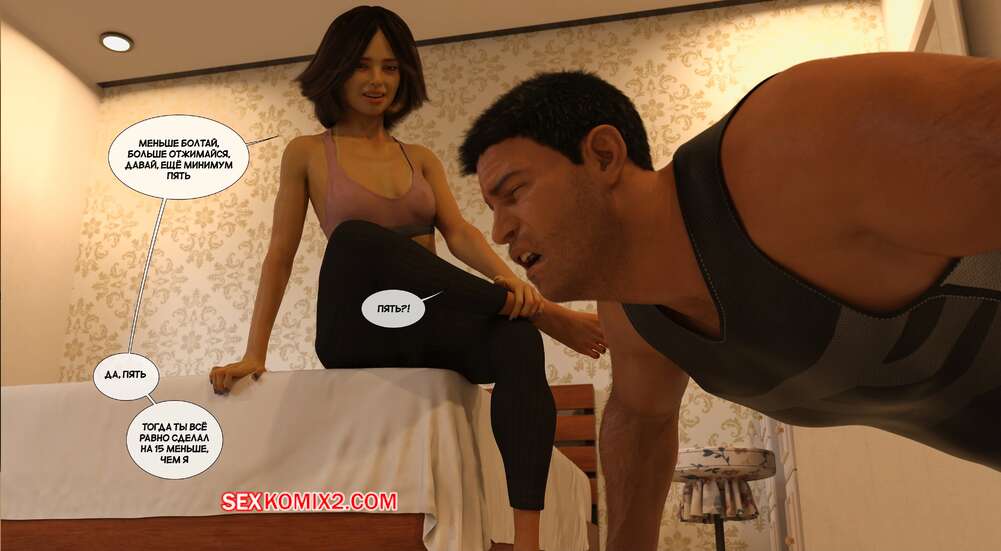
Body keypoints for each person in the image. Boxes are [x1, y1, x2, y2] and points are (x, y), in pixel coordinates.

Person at [457, 52, 1001, 550]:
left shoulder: (790, 137)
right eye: (491, 208)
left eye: (514, 192)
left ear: (603, 155)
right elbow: (640, 419)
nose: (500, 231)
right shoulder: (632, 315)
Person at [208, 7, 607, 550]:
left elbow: (460, 232)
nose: (377, 80)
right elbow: (280, 254)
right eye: (362, 65)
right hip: (359, 330)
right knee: (357, 238)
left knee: (517, 339)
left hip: (426, 323)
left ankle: (527, 539)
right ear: (336, 70)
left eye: (391, 67)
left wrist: (508, 282)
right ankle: (545, 313)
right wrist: (254, 353)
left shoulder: (419, 159)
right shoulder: (307, 153)